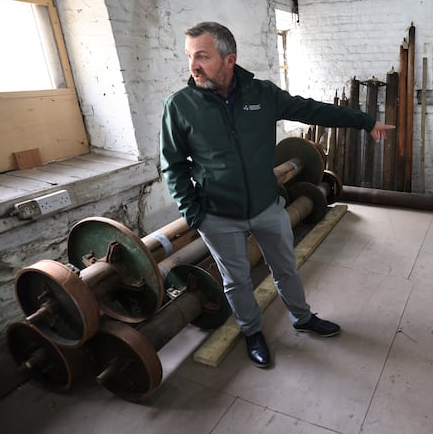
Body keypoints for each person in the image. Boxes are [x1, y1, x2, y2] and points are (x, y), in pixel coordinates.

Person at [160, 21, 394, 368]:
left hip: (266, 206)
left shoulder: (262, 94)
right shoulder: (180, 105)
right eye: (190, 57)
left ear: (229, 59)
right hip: (217, 215)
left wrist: (364, 120)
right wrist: (195, 214)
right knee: (236, 280)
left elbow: (314, 109)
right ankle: (251, 331)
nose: (193, 66)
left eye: (202, 57)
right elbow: (173, 165)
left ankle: (302, 317)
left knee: (286, 266)